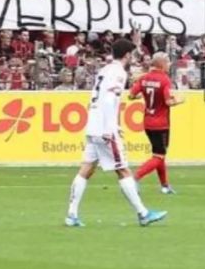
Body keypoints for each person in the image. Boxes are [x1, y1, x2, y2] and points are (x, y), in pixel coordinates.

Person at [65, 38, 167, 227]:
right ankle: (143, 214)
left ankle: (71, 214)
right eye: (132, 55)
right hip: (104, 129)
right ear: (127, 55)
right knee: (123, 169)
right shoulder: (119, 73)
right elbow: (109, 99)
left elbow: (97, 97)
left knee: (86, 169)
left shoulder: (104, 70)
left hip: (93, 124)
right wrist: (108, 127)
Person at [128, 53, 184, 194]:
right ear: (162, 64)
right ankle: (134, 178)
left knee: (159, 154)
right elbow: (168, 102)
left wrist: (141, 96)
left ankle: (164, 186)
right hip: (161, 124)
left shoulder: (144, 78)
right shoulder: (165, 80)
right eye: (168, 62)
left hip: (148, 122)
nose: (169, 64)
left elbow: (130, 95)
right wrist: (179, 100)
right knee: (159, 155)